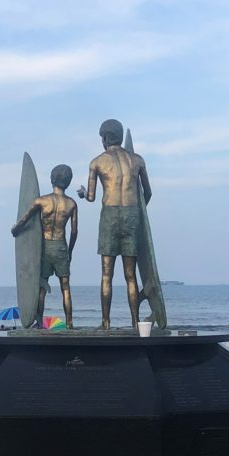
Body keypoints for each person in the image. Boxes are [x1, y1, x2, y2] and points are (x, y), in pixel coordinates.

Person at [77, 119, 151, 329]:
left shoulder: (97, 162)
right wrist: (136, 213)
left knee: (107, 274)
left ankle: (106, 322)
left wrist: (82, 193)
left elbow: (90, 197)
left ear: (106, 137)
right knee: (130, 275)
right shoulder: (137, 160)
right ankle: (136, 323)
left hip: (109, 215)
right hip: (132, 215)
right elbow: (148, 193)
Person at [13, 163, 78, 329]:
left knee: (42, 287)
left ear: (52, 179)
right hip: (61, 246)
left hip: (45, 247)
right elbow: (74, 231)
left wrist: (16, 230)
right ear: (68, 181)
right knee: (65, 288)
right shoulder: (71, 204)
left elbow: (24, 218)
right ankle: (69, 323)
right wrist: (69, 252)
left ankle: (40, 322)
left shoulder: (42, 201)